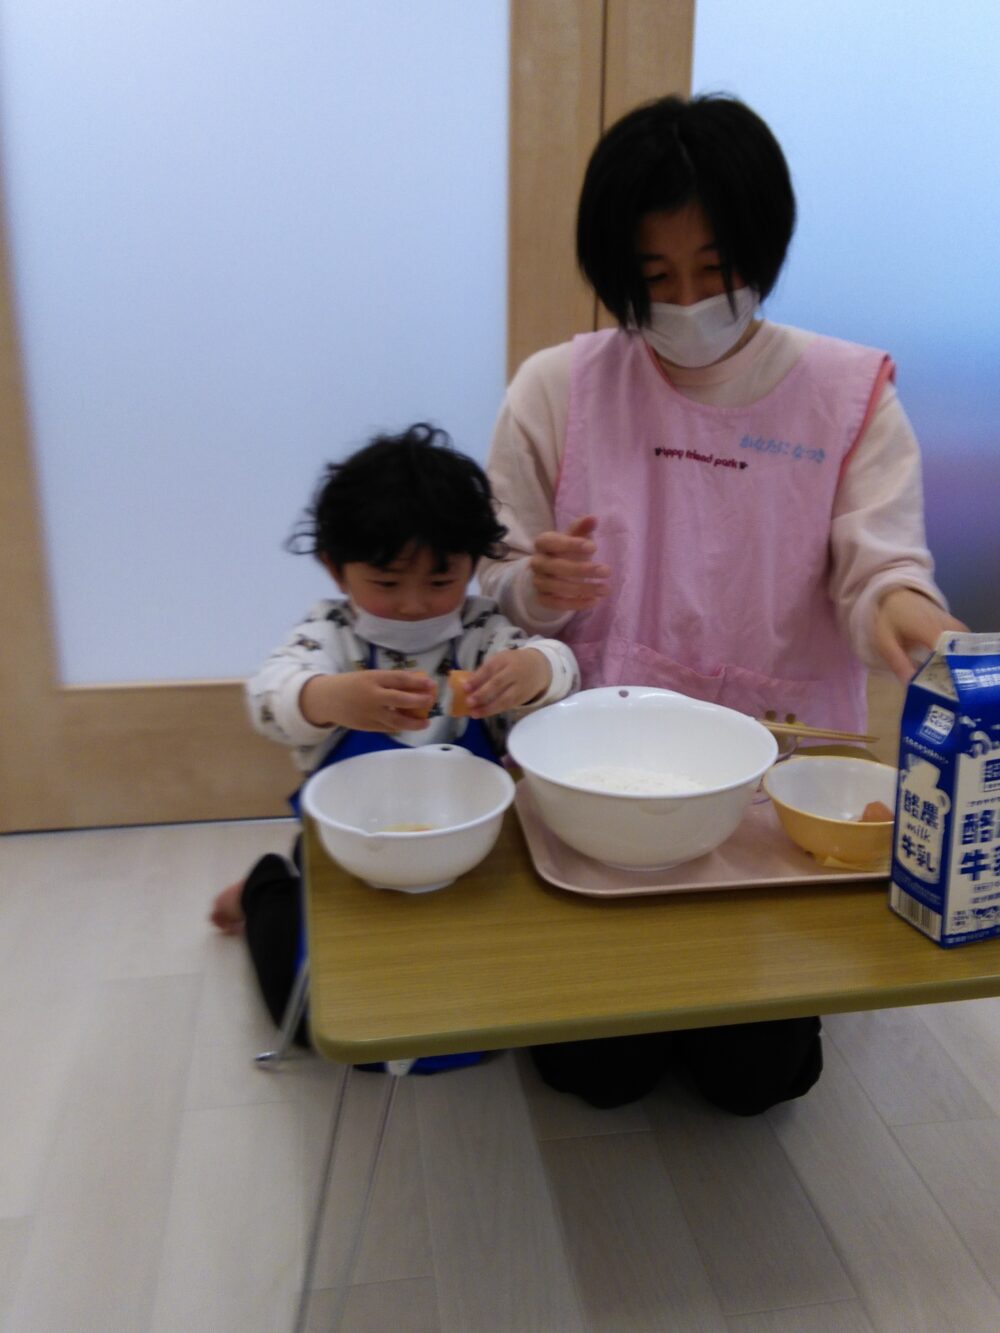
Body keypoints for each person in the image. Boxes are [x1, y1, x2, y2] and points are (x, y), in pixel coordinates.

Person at [478, 93, 966, 1114]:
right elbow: (497, 581)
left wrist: (914, 618)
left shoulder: (847, 396)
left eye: (717, 268)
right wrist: (534, 585)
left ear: (763, 247)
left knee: (755, 1082)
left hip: (769, 783)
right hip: (599, 780)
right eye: (656, 279)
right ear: (616, 273)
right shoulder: (556, 389)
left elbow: (878, 565)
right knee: (597, 1074)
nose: (691, 302)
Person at [211, 423, 579, 1054]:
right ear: (336, 568)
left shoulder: (481, 632)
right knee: (314, 1021)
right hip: (350, 852)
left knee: (495, 1005)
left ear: (472, 566)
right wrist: (328, 698)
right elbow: (266, 699)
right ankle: (266, 887)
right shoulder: (328, 635)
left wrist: (533, 672)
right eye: (386, 583)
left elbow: (561, 669)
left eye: (440, 581)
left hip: (470, 851)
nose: (413, 605)